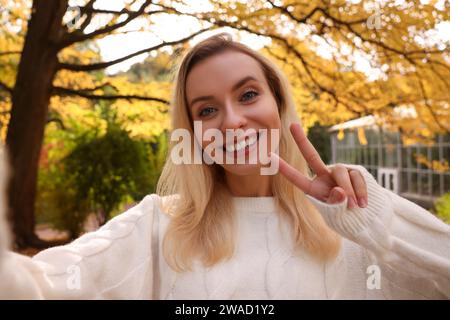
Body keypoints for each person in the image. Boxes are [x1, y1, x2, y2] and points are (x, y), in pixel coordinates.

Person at [0, 33, 449, 299]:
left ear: (278, 102)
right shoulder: (159, 224)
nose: (233, 120)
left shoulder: (352, 222)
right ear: (194, 130)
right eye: (207, 110)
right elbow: (40, 285)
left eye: (248, 94)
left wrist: (373, 219)